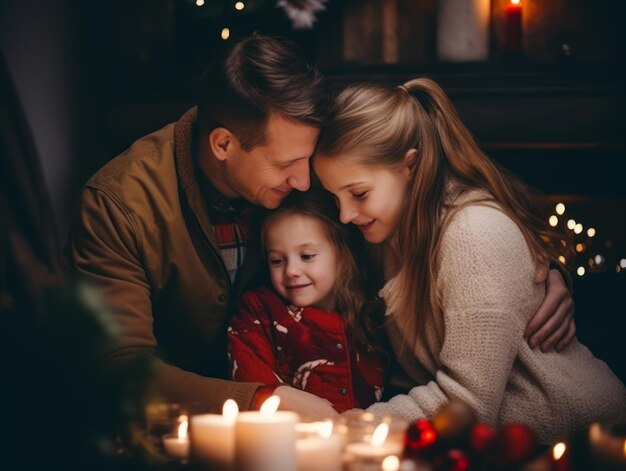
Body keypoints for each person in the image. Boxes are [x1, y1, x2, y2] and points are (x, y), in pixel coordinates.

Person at [67, 33, 575, 418]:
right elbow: (118, 370)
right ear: (223, 145)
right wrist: (264, 399)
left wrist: (533, 275)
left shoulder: (310, 179)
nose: (306, 179)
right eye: (287, 164)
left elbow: (440, 227)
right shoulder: (118, 205)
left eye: (310, 161)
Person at [313, 78, 626, 442]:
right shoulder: (384, 230)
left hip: (586, 440)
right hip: (500, 446)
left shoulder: (475, 234)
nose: (345, 214)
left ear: (409, 166)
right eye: (335, 198)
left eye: (358, 194)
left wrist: (355, 425)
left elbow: (468, 402)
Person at [228, 190, 387, 413]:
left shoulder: (370, 312)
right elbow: (249, 376)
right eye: (277, 260)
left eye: (307, 256)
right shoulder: (259, 311)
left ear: (342, 254)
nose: (291, 270)